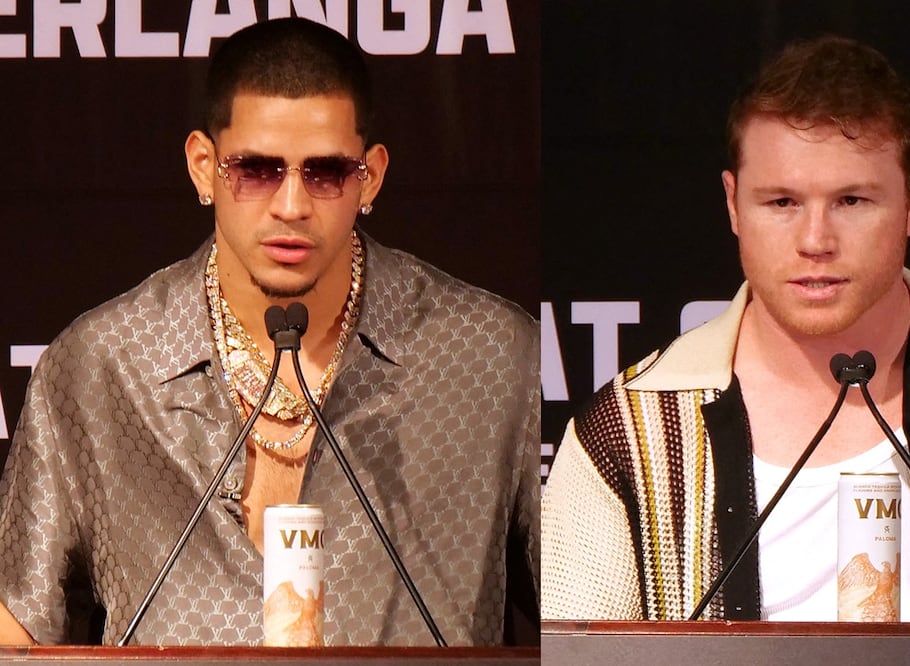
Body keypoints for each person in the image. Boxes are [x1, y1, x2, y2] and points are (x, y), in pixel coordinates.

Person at [0, 18, 538, 646]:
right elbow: (16, 629)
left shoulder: (492, 360)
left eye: (326, 172)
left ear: (371, 176)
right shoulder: (99, 367)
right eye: (255, 170)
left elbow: (581, 621)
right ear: (204, 168)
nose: (291, 205)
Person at [541, 35, 910, 623]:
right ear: (732, 205)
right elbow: (578, 647)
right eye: (781, 202)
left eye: (851, 200)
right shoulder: (627, 432)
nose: (815, 241)